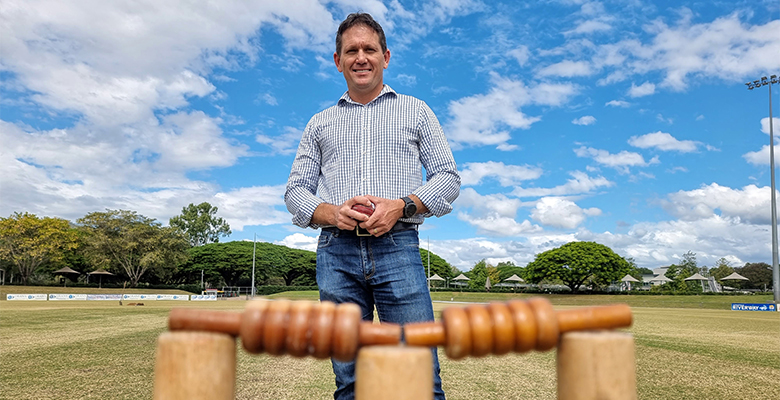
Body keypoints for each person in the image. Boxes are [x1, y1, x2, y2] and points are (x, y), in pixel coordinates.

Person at [285, 12, 459, 400]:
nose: (361, 57)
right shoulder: (319, 123)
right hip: (336, 252)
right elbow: (295, 190)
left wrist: (402, 205)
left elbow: (448, 177)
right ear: (337, 60)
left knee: (417, 375)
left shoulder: (416, 110)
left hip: (398, 248)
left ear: (386, 56)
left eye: (369, 49)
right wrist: (332, 213)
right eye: (351, 50)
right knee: (350, 380)